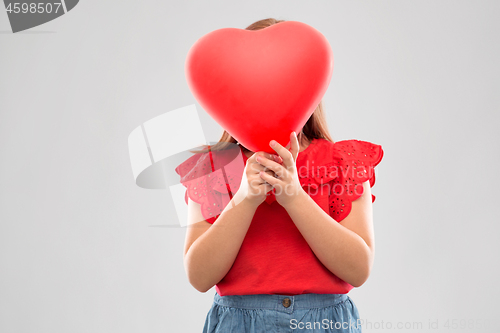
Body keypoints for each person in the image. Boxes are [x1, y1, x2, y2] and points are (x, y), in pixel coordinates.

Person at [175, 17, 384, 333]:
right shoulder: (213, 168)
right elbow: (199, 277)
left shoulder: (344, 162)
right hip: (238, 323)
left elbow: (358, 269)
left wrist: (294, 197)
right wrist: (244, 200)